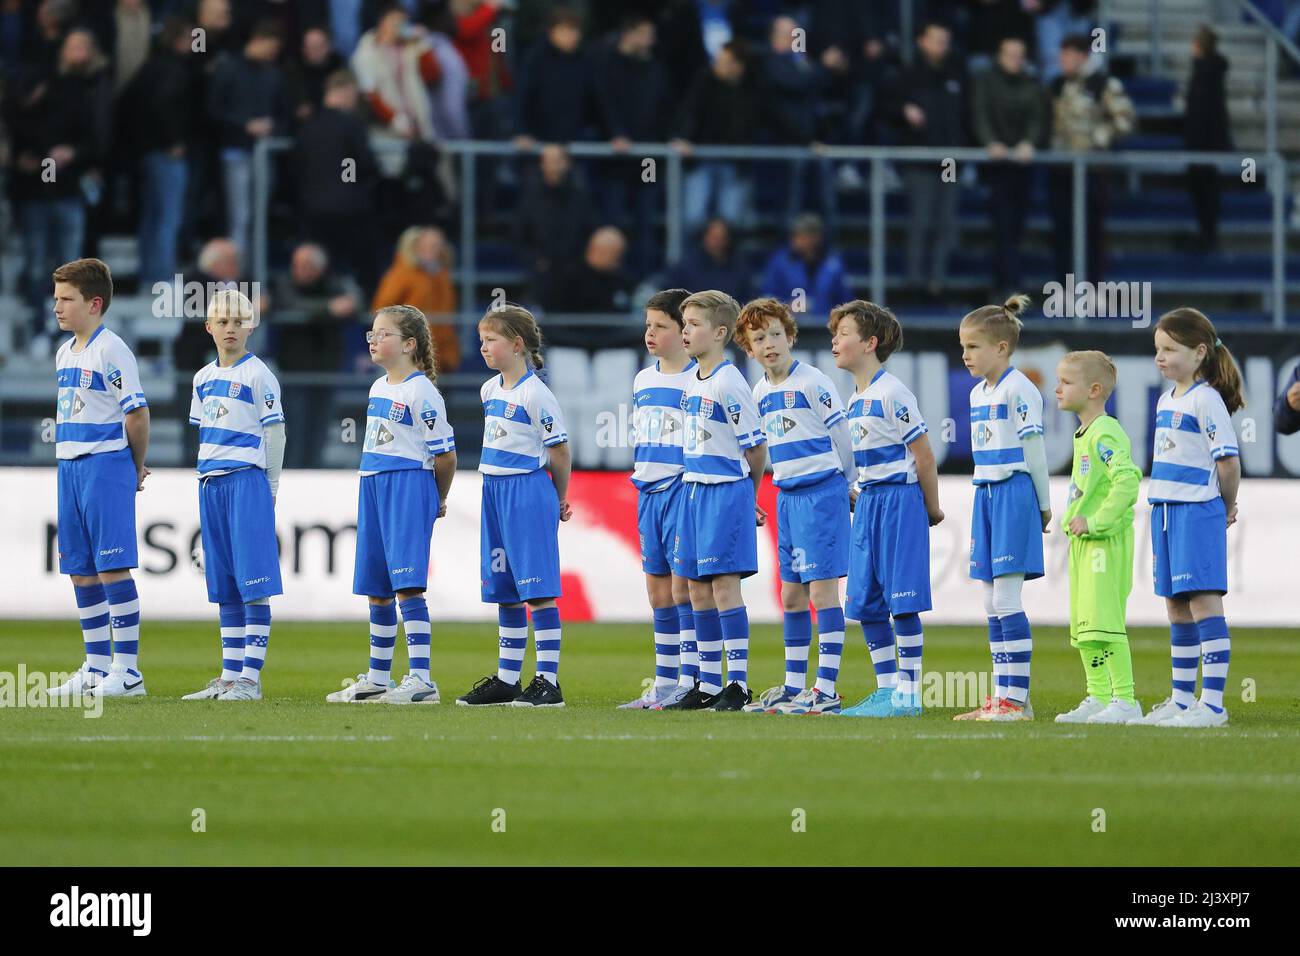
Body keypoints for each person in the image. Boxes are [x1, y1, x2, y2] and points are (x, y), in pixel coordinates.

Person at [326, 305, 458, 704]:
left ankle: (422, 679)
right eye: (372, 333)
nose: (373, 340)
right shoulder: (377, 388)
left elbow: (446, 456)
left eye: (383, 334)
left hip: (407, 484)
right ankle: (378, 678)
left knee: (407, 586)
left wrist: (437, 497)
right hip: (373, 484)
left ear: (409, 344)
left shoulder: (422, 392)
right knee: (378, 588)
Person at [738, 298, 852, 716]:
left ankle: (826, 689)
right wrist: (751, 495)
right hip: (787, 497)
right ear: (749, 349)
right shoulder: (759, 392)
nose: (768, 344)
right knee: (791, 595)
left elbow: (842, 436)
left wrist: (849, 482)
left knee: (822, 592)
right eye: (758, 339)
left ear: (790, 337)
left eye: (775, 334)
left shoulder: (813, 382)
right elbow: (758, 450)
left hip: (821, 493)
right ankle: (793, 685)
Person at [832, 300, 944, 718]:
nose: (835, 341)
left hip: (900, 501)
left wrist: (931, 507)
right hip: (870, 503)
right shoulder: (855, 398)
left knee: (903, 599)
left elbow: (924, 455)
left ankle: (909, 694)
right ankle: (887, 691)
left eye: (844, 333)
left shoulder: (893, 393)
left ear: (870, 343)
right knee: (866, 601)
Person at [457, 305, 573, 708]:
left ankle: (548, 682)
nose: (483, 347)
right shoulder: (490, 390)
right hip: (493, 490)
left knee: (537, 589)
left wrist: (558, 497)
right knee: (504, 589)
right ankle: (508, 679)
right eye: (482, 340)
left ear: (517, 344)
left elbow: (559, 451)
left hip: (526, 490)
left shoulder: (535, 393)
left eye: (491, 340)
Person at [46, 258, 151, 700]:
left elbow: (137, 413)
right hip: (69, 465)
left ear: (94, 303)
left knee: (111, 566)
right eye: (56, 299)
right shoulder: (63, 352)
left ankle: (128, 672)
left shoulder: (112, 350)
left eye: (66, 299)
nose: (57, 307)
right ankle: (96, 667)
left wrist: (134, 465)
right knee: (81, 571)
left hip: (105, 464)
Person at [1136, 308, 1244, 728]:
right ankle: (1182, 700)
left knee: (1202, 601)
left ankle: (1212, 705)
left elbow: (1228, 462)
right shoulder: (1166, 399)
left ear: (1199, 353)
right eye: (1157, 349)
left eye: (1169, 349)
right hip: (1164, 511)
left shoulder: (1206, 399)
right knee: (1176, 606)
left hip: (1196, 510)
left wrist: (1226, 506)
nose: (1160, 357)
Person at [662, 290, 767, 712]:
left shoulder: (730, 381)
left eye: (694, 325)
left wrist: (747, 496)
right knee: (695, 589)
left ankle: (738, 683)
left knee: (724, 587)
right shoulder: (693, 380)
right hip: (693, 490)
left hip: (724, 491)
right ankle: (707, 682)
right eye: (684, 324)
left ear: (720, 332)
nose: (685, 331)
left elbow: (755, 448)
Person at [180, 290, 285, 702]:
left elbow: (275, 433)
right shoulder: (202, 379)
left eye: (238, 321)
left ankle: (250, 679)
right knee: (224, 583)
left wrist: (270, 486)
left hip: (246, 481)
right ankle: (229, 676)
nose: (230, 329)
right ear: (209, 327)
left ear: (250, 326)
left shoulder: (259, 375)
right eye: (223, 322)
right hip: (211, 483)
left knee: (253, 581)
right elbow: (204, 433)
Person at [955, 294, 1051, 722]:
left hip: (1014, 492)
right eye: (963, 346)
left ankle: (1017, 699)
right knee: (991, 601)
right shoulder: (978, 393)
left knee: (1008, 597)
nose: (966, 355)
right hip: (986, 494)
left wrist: (1043, 504)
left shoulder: (1020, 389)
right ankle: (1002, 697)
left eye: (973, 346)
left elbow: (1035, 450)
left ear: (1001, 348)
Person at [619, 289, 700, 710]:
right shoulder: (643, 379)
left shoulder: (699, 378)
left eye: (660, 326)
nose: (650, 333)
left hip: (683, 489)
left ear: (683, 330)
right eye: (647, 325)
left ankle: (692, 678)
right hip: (647, 491)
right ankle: (665, 682)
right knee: (658, 592)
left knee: (684, 589)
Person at [1052, 350, 1143, 724]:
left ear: (1093, 390)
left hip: (1104, 542)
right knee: (1087, 627)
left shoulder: (1105, 432)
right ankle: (1099, 695)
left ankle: (1125, 699)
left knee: (1106, 621)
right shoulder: (1086, 433)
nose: (1057, 389)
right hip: (1085, 544)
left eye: (1065, 382)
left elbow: (1128, 479)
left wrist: (1096, 521)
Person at [1047, 34, 1135, 283]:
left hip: (1091, 171)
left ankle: (1092, 286)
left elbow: (1125, 119)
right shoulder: (1056, 84)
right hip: (1061, 169)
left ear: (1082, 57)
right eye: (1062, 56)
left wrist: (1098, 138)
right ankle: (1064, 287)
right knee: (1063, 230)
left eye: (1069, 56)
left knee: (1091, 231)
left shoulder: (1103, 83)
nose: (1063, 61)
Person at [890, 21, 966, 299]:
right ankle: (914, 283)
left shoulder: (957, 74)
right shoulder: (907, 75)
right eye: (935, 39)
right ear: (921, 41)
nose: (941, 45)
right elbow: (885, 107)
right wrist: (903, 110)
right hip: (919, 159)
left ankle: (937, 283)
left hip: (950, 161)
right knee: (921, 221)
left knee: (945, 222)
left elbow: (967, 116)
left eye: (945, 40)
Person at [124, 15, 195, 289]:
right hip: (166, 151)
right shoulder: (173, 69)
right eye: (189, 38)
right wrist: (172, 141)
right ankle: (163, 274)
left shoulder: (150, 66)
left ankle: (149, 273)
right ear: (178, 40)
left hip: (145, 149)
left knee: (152, 214)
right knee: (169, 214)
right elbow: (164, 105)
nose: (193, 44)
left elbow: (131, 100)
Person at [207, 20, 286, 263]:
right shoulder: (229, 69)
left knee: (259, 217)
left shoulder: (273, 74)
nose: (274, 53)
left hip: (263, 153)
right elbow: (212, 110)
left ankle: (254, 269)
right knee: (240, 216)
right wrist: (244, 125)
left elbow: (284, 114)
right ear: (259, 40)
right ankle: (237, 271)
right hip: (235, 151)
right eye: (272, 47)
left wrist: (272, 126)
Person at [971, 36, 1042, 292]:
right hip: (995, 165)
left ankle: (1010, 281)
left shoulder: (1031, 82)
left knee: (1017, 226)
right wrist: (990, 142)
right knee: (1002, 225)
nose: (1015, 60)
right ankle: (1006, 283)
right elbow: (980, 114)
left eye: (1020, 55)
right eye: (1010, 54)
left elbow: (1037, 117)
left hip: (1022, 164)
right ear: (999, 56)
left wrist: (1029, 142)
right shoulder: (985, 81)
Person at [672, 40, 756, 233]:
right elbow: (689, 112)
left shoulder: (753, 88)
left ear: (739, 66)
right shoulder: (704, 81)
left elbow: (774, 116)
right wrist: (682, 137)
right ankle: (689, 253)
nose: (717, 65)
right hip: (701, 159)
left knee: (731, 220)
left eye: (724, 62)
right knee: (693, 217)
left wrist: (807, 139)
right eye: (717, 60)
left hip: (735, 163)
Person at [513, 143, 599, 304]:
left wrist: (581, 261)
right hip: (541, 272)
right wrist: (536, 260)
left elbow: (591, 232)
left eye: (557, 161)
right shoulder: (530, 199)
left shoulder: (580, 198)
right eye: (547, 161)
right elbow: (519, 237)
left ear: (567, 163)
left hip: (576, 270)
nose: (552, 167)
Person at [372, 226, 460, 372]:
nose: (437, 250)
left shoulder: (442, 276)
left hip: (440, 353)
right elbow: (382, 309)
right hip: (407, 353)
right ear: (416, 247)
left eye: (440, 245)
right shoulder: (401, 274)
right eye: (431, 245)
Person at [1184, 26, 1232, 253]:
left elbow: (1204, 111)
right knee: (1204, 188)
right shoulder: (1209, 70)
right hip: (1207, 140)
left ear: (1198, 45)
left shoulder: (1205, 72)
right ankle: (1207, 234)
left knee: (1204, 189)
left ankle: (1208, 236)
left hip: (1203, 142)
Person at [759, 213, 851, 323]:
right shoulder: (779, 262)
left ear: (815, 238)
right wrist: (784, 308)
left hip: (825, 325)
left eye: (801, 236)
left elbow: (846, 301)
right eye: (794, 235)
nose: (795, 240)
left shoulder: (834, 264)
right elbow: (767, 296)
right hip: (788, 324)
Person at [665, 218, 753, 305]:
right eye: (713, 237)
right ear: (705, 238)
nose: (717, 242)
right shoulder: (685, 267)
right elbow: (671, 298)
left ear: (728, 240)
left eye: (722, 238)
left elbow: (748, 300)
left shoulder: (740, 267)